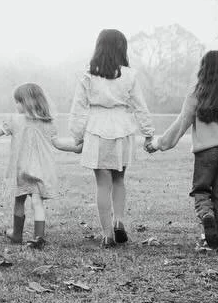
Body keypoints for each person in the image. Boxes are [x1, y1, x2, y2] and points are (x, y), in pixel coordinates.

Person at [55, 29, 156, 248]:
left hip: (97, 128)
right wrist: (148, 133)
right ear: (122, 48)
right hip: (122, 128)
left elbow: (78, 109)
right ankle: (119, 220)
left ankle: (107, 234)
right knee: (119, 180)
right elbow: (140, 107)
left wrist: (77, 135)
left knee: (102, 184)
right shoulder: (130, 75)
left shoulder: (88, 75)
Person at [148, 50, 218, 251]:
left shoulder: (195, 96)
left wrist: (159, 144)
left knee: (202, 191)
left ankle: (206, 215)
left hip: (205, 153)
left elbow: (180, 125)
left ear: (203, 71)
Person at [0, 83, 59, 248]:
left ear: (25, 102)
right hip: (40, 169)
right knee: (37, 202)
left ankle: (16, 234)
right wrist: (78, 146)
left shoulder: (14, 120)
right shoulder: (47, 122)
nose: (16, 105)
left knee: (19, 202)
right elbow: (58, 143)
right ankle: (38, 236)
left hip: (20, 168)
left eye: (18, 102)